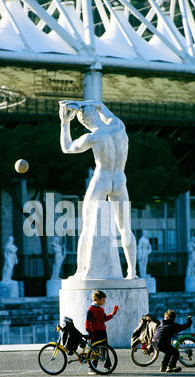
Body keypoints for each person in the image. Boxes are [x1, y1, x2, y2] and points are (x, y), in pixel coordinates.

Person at [59, 100, 137, 279]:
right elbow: (100, 104)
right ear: (96, 114)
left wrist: (65, 122)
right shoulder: (118, 126)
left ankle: (80, 271)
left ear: (85, 122)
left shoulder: (93, 136)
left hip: (102, 179)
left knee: (87, 225)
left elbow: (67, 148)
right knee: (125, 227)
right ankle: (132, 272)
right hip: (119, 180)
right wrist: (82, 103)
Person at [85, 290, 118, 374]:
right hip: (94, 332)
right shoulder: (91, 309)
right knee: (94, 350)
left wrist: (113, 313)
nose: (104, 301)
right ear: (97, 299)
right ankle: (92, 368)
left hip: (102, 331)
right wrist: (90, 332)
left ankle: (107, 366)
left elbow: (104, 319)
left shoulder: (101, 309)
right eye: (103, 299)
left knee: (105, 349)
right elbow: (87, 322)